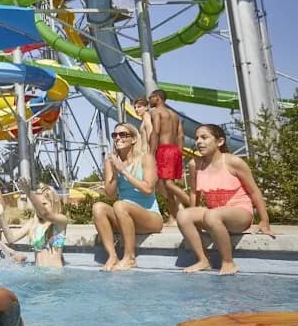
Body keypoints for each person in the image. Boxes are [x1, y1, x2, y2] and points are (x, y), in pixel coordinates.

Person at [177, 124, 274, 275]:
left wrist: (264, 221)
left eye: (204, 137)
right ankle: (203, 260)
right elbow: (194, 192)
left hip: (240, 214)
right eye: (196, 138)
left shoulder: (233, 162)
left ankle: (228, 262)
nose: (198, 142)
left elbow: (254, 191)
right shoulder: (194, 164)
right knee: (183, 215)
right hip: (214, 215)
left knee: (212, 214)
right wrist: (193, 214)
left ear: (220, 141)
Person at [93, 123, 162, 271]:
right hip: (123, 216)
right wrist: (115, 172)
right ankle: (112, 256)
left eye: (123, 134)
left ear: (134, 139)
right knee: (98, 207)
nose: (118, 138)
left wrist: (124, 171)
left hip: (150, 217)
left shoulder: (146, 158)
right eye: (115, 135)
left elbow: (148, 189)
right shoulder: (111, 163)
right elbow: (110, 194)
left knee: (120, 204)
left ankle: (130, 257)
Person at [1, 182, 68, 268]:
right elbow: (11, 238)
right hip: (38, 275)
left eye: (44, 204)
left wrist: (28, 192)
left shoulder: (61, 221)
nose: (39, 208)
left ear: (53, 204)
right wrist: (1, 215)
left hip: (54, 276)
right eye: (37, 205)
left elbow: (45, 214)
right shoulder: (33, 223)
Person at [148, 88, 190, 225]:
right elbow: (181, 135)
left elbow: (155, 132)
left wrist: (151, 153)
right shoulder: (174, 115)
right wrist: (179, 153)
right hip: (175, 150)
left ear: (158, 98)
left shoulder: (156, 112)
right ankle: (174, 217)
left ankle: (193, 204)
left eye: (151, 97)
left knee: (167, 184)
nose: (149, 99)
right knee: (167, 187)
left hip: (163, 150)